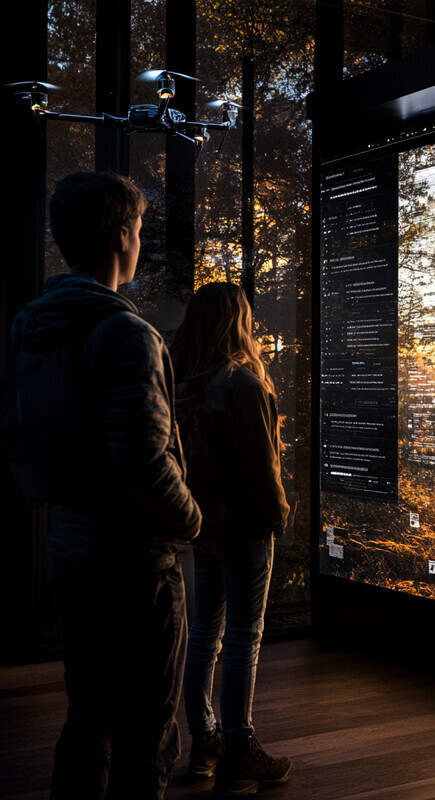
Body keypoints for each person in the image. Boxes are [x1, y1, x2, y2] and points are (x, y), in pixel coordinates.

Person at [1, 172, 202, 798]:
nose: (141, 241)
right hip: (134, 564)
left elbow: (20, 437)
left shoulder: (34, 328)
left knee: (86, 719)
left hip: (70, 548)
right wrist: (192, 518)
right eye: (139, 229)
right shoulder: (127, 335)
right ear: (121, 235)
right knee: (148, 734)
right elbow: (144, 458)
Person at [170, 282, 292, 797]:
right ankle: (241, 751)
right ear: (237, 322)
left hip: (203, 524)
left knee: (205, 634)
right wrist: (280, 514)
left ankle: (205, 743)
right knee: (244, 635)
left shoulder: (184, 385)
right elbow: (263, 468)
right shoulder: (243, 385)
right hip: (244, 524)